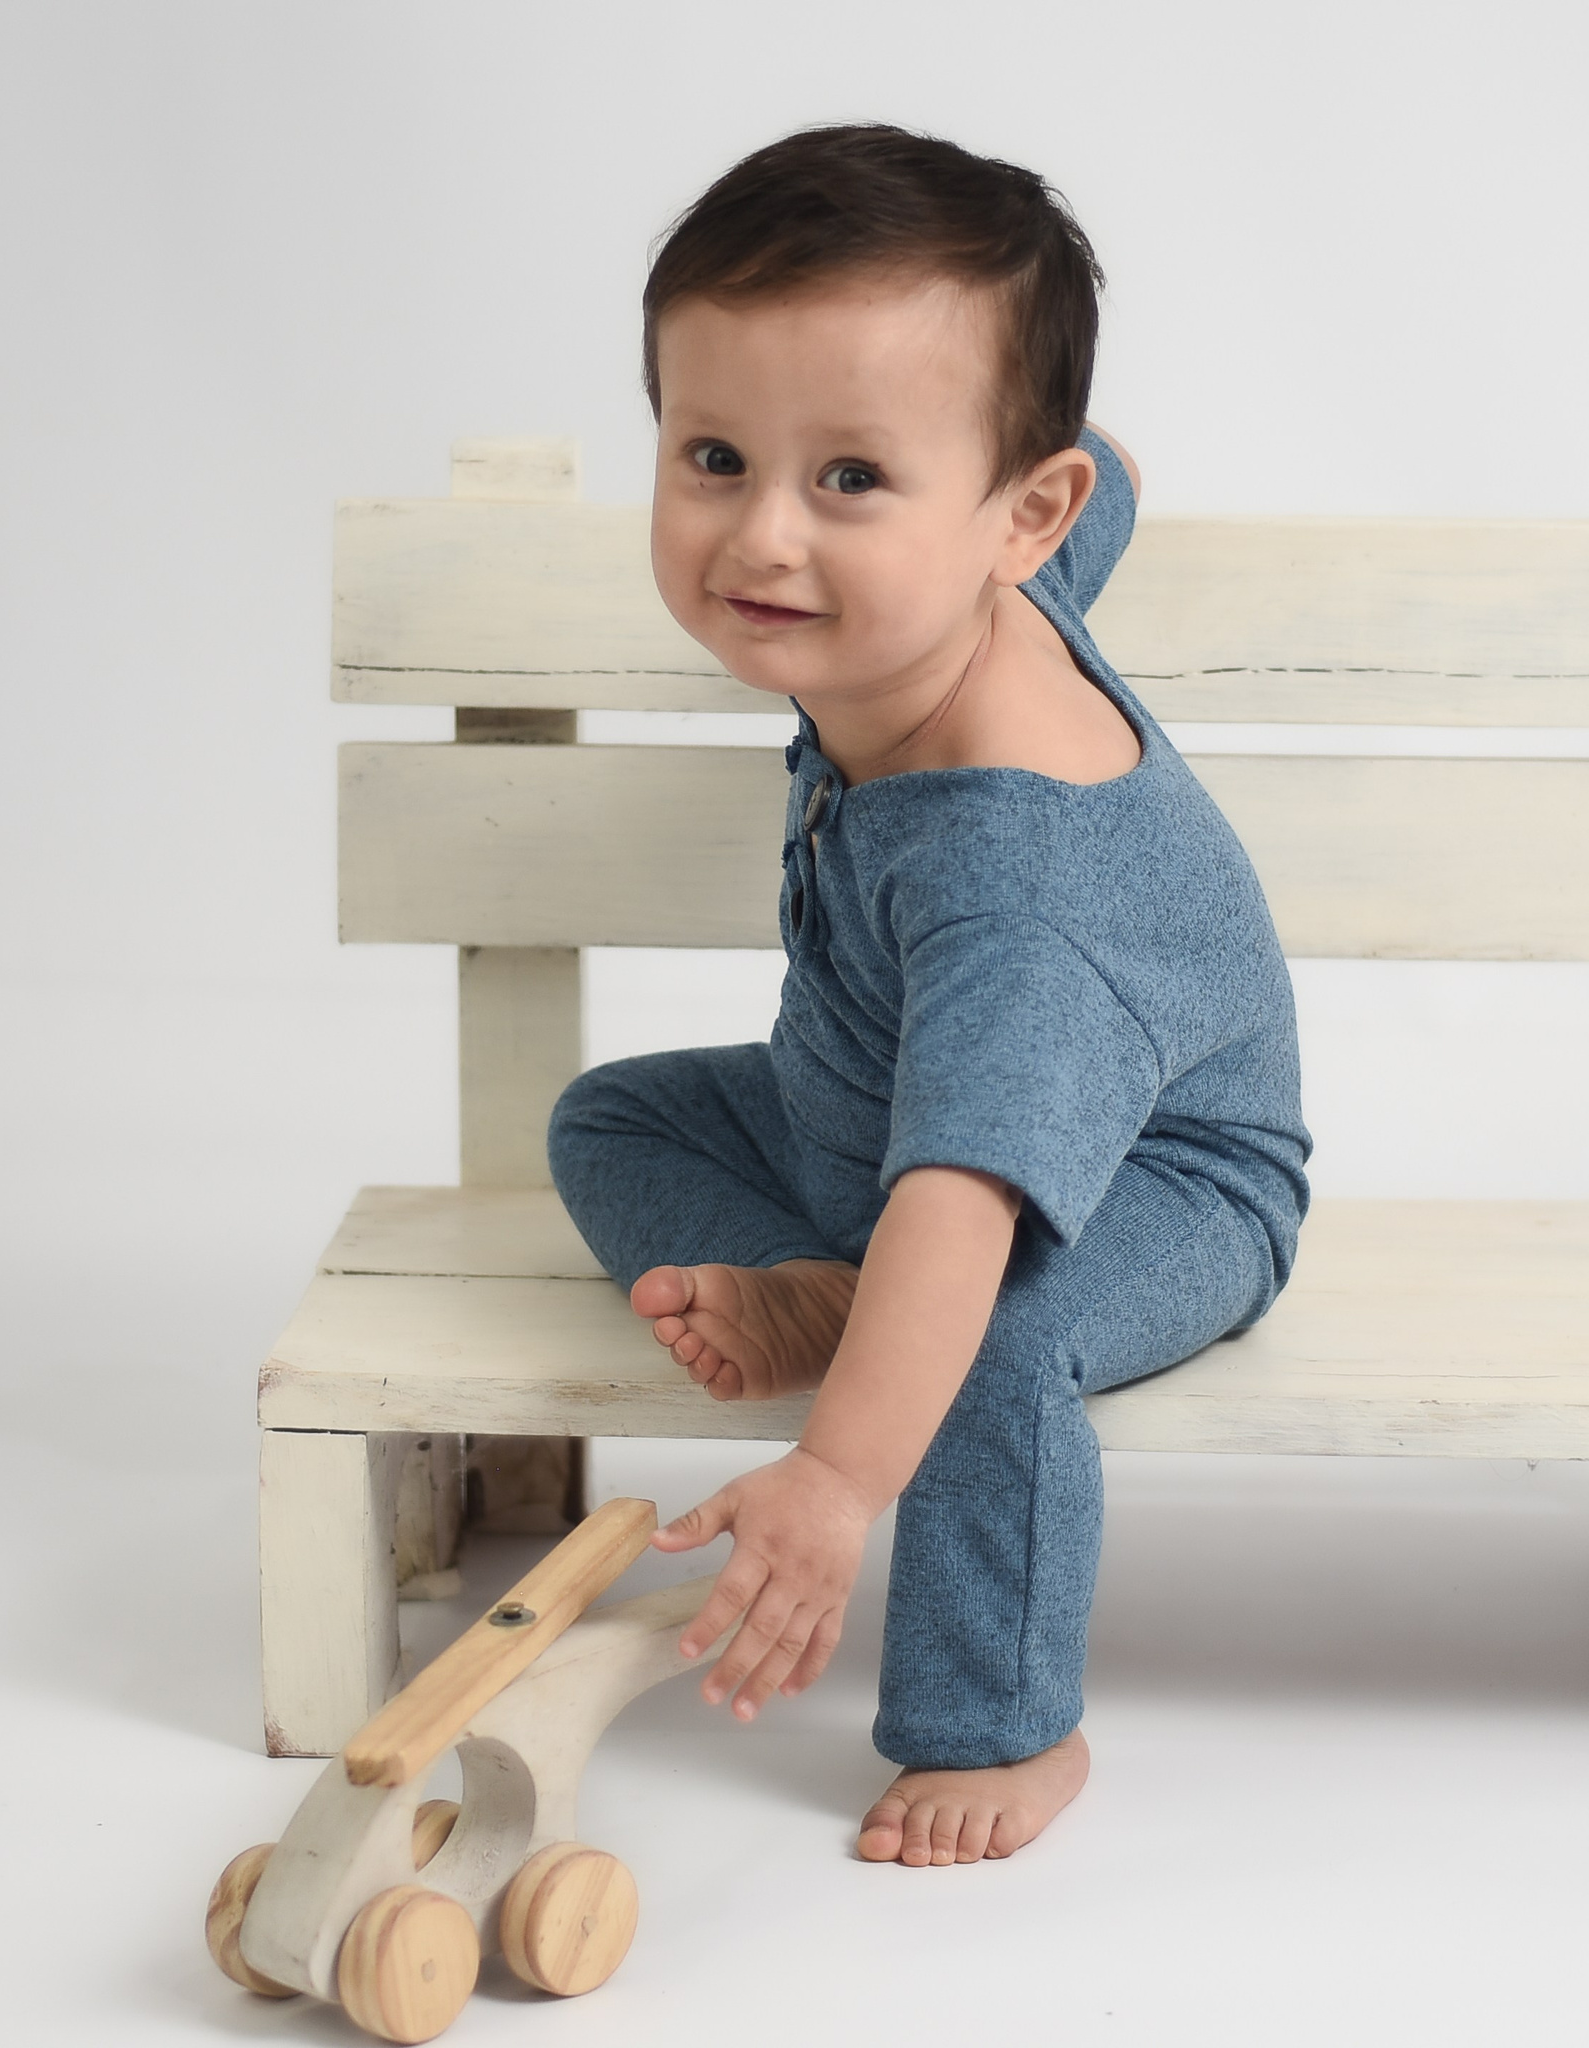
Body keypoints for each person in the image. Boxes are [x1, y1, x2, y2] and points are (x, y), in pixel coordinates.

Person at [547, 124, 1310, 1868]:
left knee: (995, 1345)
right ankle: (834, 1289)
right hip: (875, 1113)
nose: (762, 539)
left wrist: (832, 1482)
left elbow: (966, 1208)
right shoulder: (996, 560)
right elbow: (1098, 468)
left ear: (1007, 521)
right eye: (716, 454)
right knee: (614, 1119)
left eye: (850, 483)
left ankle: (1008, 1726)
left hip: (1148, 1183)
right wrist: (947, 467)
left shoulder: (1018, 890)